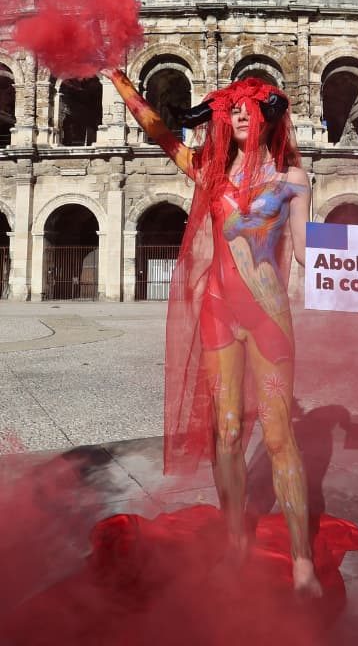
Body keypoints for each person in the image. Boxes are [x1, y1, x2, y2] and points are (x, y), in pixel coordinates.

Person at [104, 68, 322, 595]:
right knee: (225, 434)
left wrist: (355, 292)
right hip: (219, 313)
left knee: (277, 435)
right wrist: (125, 87)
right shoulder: (209, 172)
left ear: (269, 115)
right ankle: (235, 543)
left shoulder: (292, 180)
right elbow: (161, 134)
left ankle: (302, 562)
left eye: (251, 106)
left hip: (269, 315)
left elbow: (310, 250)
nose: (242, 113)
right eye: (233, 107)